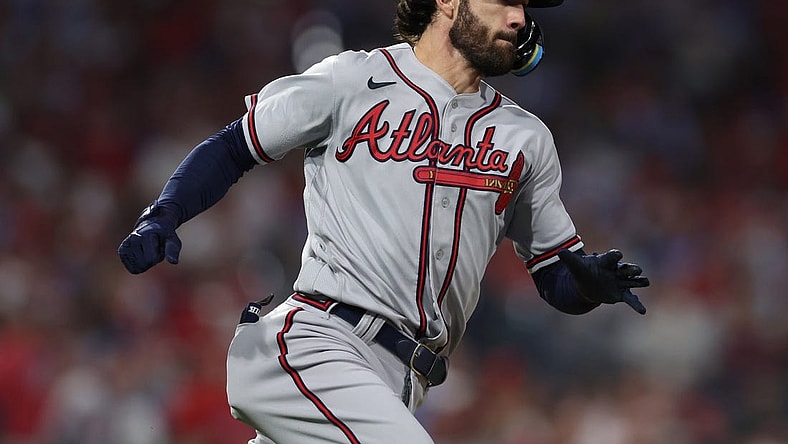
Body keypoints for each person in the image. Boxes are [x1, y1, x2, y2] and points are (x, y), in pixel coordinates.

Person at [118, 0, 650, 442]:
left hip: (401, 382)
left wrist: (583, 283)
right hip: (317, 342)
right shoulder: (353, 79)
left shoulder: (525, 138)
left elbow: (553, 272)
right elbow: (237, 144)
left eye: (524, 7)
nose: (519, 17)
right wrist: (164, 214)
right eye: (504, 1)